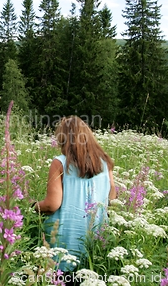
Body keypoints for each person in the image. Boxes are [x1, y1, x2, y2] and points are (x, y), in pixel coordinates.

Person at [33, 116, 116, 276]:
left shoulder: (60, 163)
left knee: (59, 278)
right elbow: (111, 196)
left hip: (64, 240)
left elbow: (52, 204)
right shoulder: (104, 162)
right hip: (96, 239)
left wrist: (33, 205)